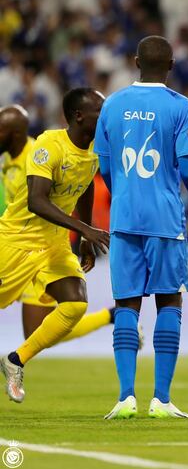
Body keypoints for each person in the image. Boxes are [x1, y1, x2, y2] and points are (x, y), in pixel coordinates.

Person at [95, 36, 188, 419]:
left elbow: (106, 168)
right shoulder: (181, 107)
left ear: (134, 61)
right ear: (172, 65)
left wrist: (126, 196)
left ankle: (125, 397)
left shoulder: (111, 105)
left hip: (124, 220)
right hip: (165, 220)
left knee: (127, 304)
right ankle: (161, 400)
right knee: (169, 301)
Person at [0, 89, 111, 403]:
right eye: (99, 113)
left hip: (54, 243)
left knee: (75, 303)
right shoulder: (49, 144)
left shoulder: (94, 151)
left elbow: (86, 186)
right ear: (79, 116)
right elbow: (36, 201)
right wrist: (85, 228)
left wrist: (84, 241)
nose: (105, 118)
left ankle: (15, 360)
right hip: (16, 241)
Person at [0, 105, 127, 346]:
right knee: (37, 332)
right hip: (14, 245)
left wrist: (84, 230)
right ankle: (111, 315)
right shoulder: (8, 159)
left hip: (40, 249)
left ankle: (111, 316)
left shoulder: (37, 154)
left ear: (14, 134)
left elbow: (68, 188)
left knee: (38, 330)